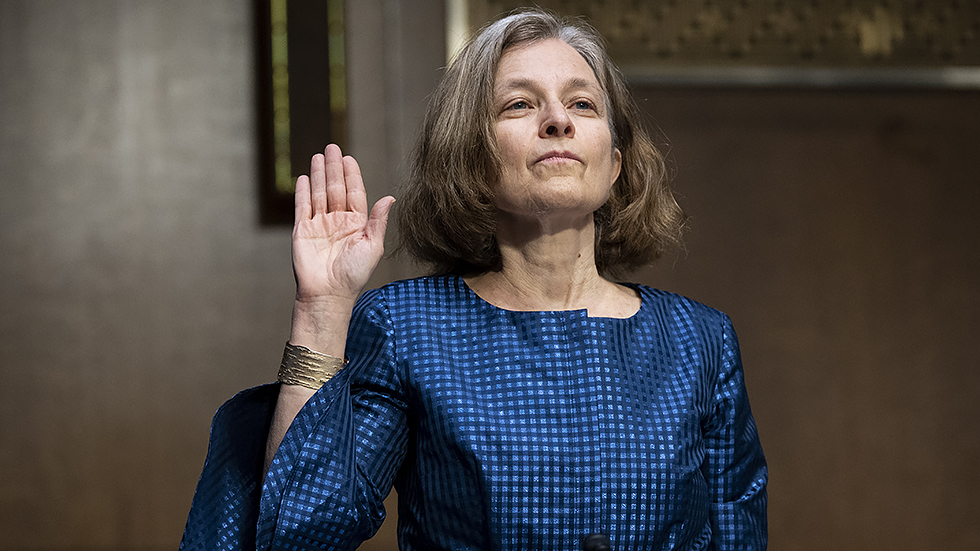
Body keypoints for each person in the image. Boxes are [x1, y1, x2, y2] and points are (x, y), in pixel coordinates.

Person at [180, 8, 767, 551]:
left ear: (614, 163)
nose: (558, 120)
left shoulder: (700, 340)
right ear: (473, 160)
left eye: (583, 105)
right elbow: (301, 532)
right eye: (519, 105)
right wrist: (322, 307)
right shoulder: (405, 327)